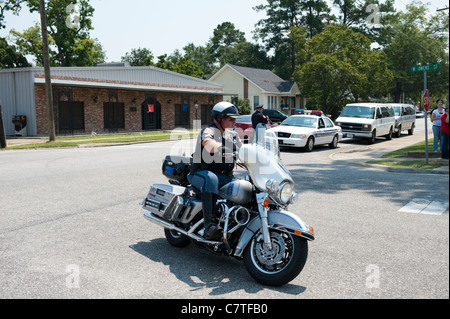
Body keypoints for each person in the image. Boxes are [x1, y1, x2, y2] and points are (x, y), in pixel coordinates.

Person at [188, 102, 242, 240]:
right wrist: (221, 147)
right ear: (219, 118)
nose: (234, 121)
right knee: (211, 178)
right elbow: (208, 142)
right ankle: (209, 227)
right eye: (231, 119)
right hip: (200, 174)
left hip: (225, 177)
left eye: (235, 119)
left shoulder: (232, 135)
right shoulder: (209, 131)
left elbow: (244, 150)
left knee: (245, 186)